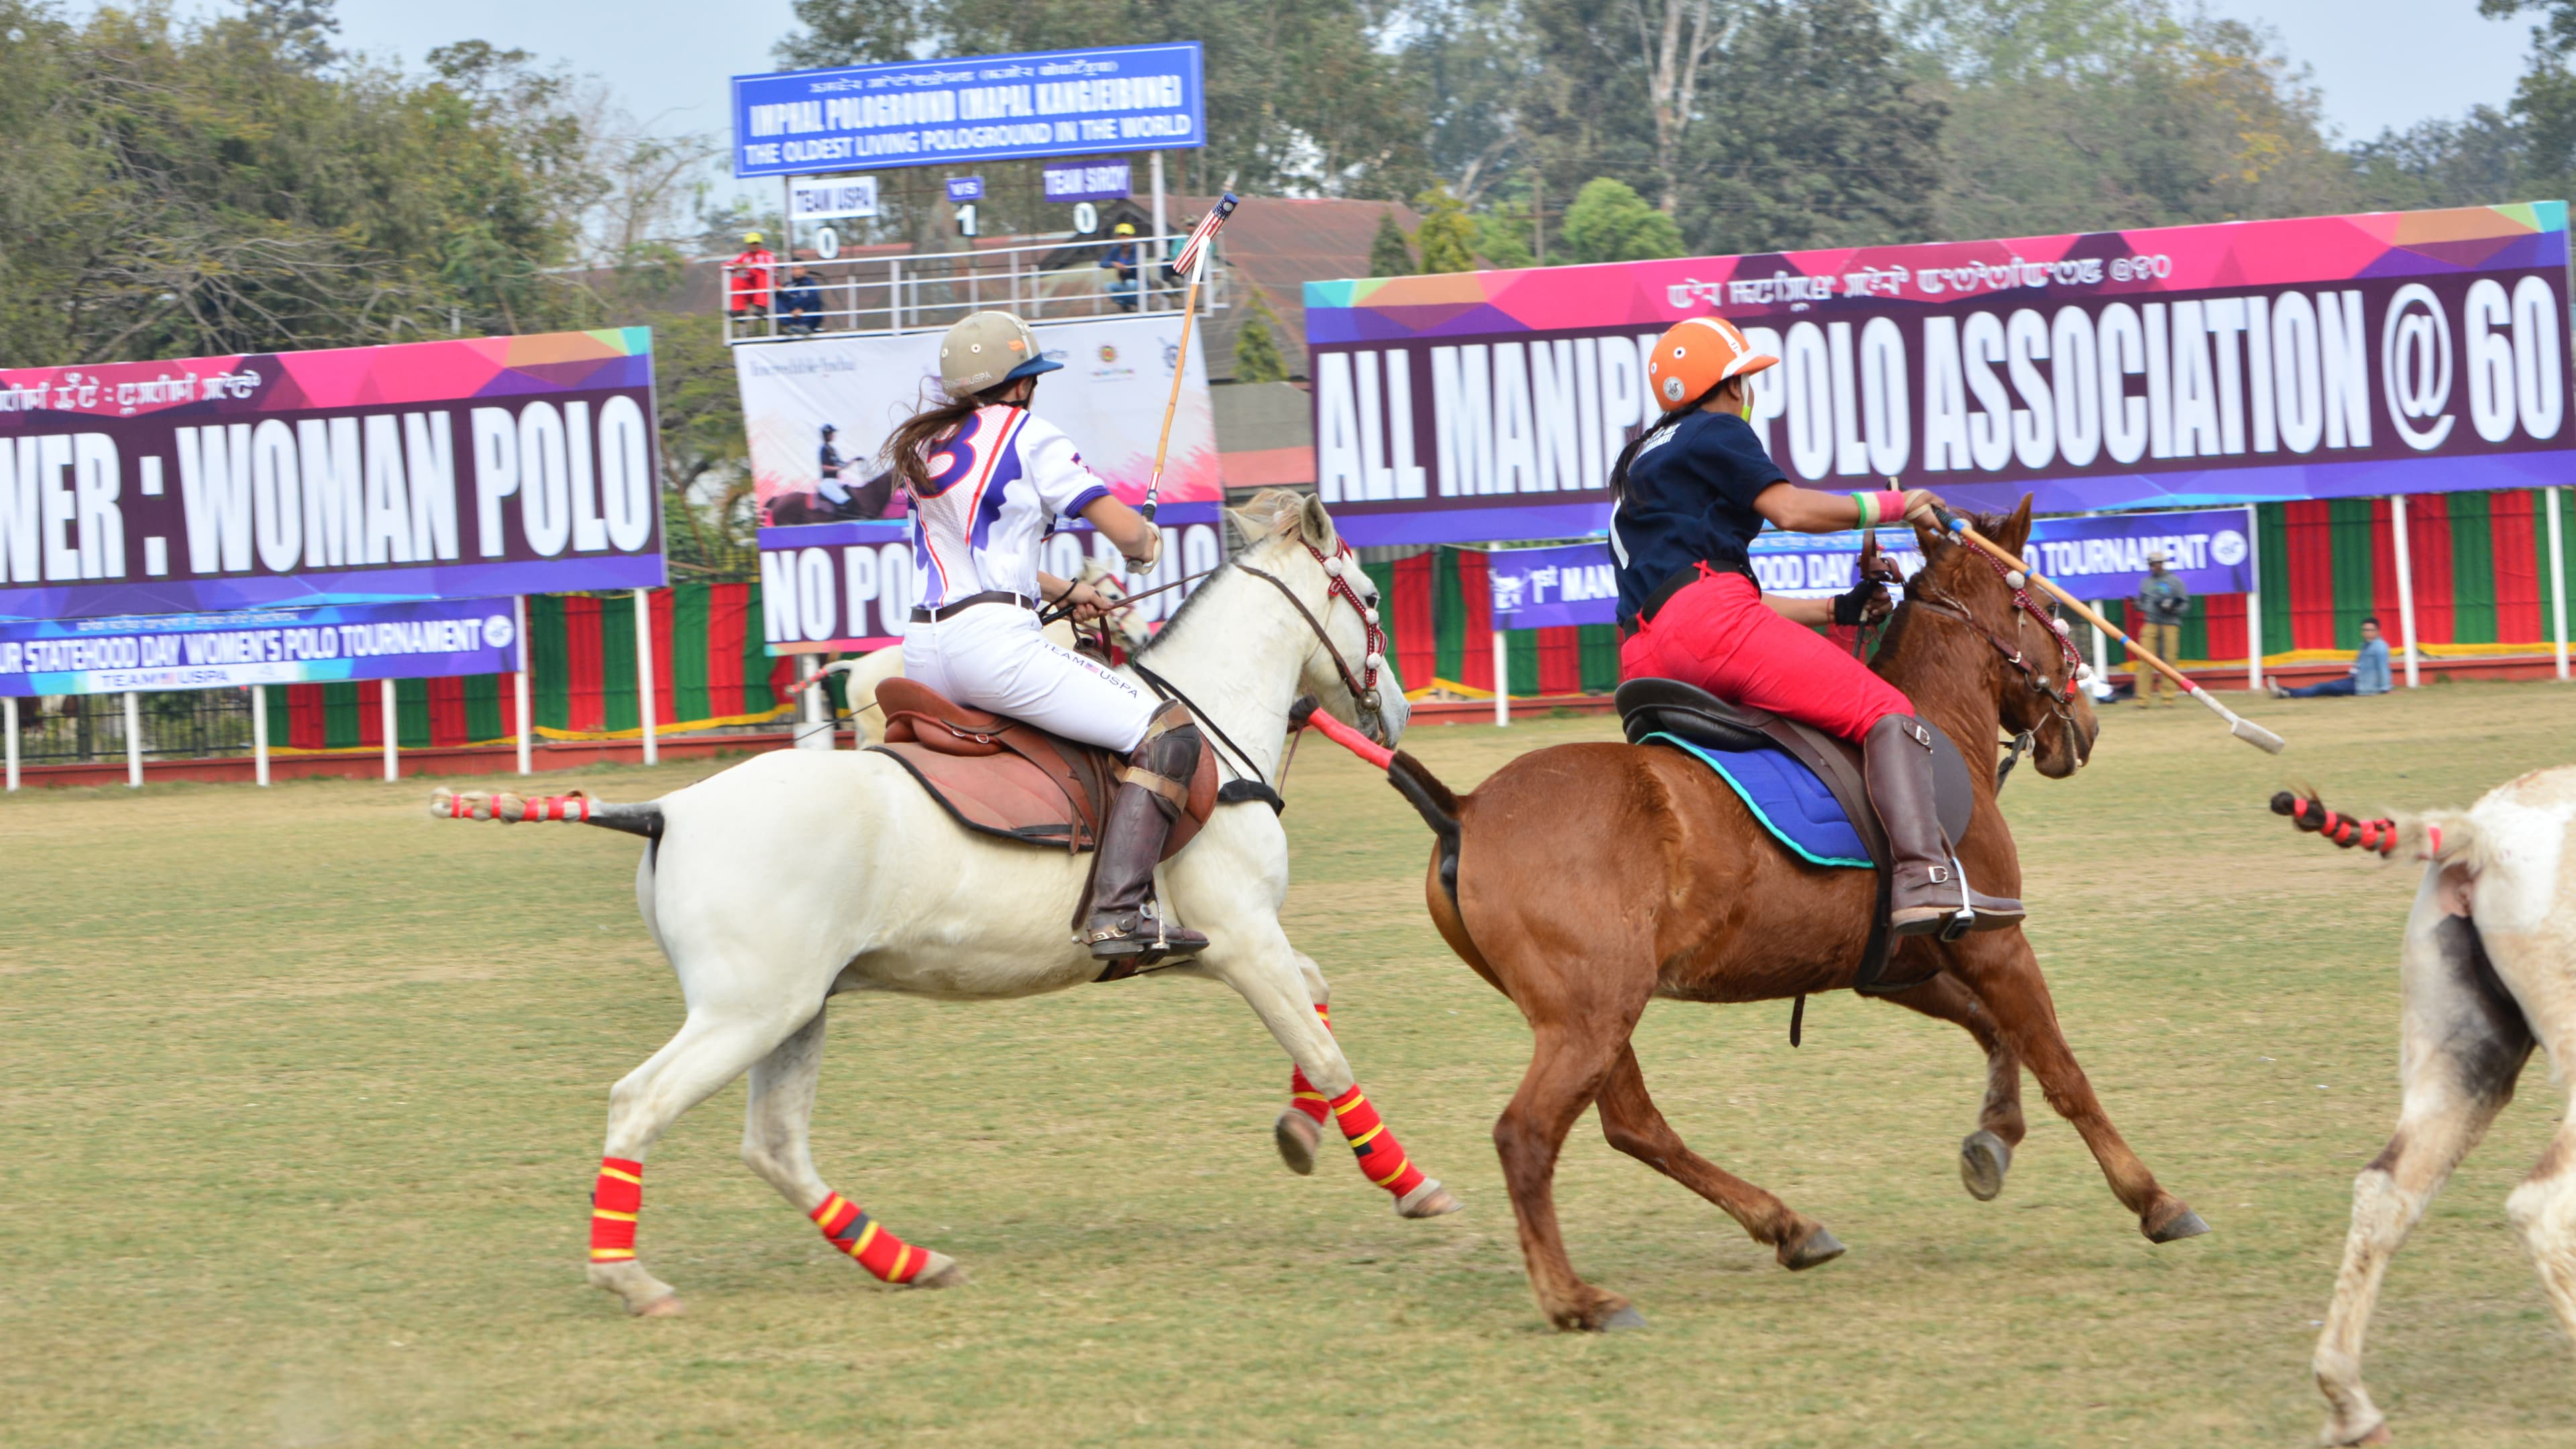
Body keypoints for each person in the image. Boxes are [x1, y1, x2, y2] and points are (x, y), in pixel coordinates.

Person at [1611, 315, 2021, 935]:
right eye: (1744, 381)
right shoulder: (1715, 429)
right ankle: (1921, 877)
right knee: (1887, 711)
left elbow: (1712, 594)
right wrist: (1899, 503)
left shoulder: (1642, 457)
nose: (1747, 395)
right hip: (1709, 628)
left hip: (1646, 653)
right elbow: (1791, 509)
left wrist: (1837, 610)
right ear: (1728, 386)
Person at [885, 310, 1205, 964]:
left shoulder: (925, 447)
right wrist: (1144, 542)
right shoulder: (1031, 435)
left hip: (923, 651)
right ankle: (1118, 913)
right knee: (1168, 733)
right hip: (994, 647)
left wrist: (1066, 591)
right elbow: (1125, 534)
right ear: (1021, 383)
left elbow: (985, 552)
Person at [2272, 618, 2395, 698]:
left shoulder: (2380, 647)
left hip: (2363, 686)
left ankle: (2287, 692)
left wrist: (2385, 689)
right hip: (2355, 681)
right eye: (2365, 630)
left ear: (2378, 631)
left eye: (2371, 630)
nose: (2367, 633)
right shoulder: (2366, 645)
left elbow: (2383, 668)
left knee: (2322, 687)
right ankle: (2286, 692)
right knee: (2324, 688)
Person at [2133, 549, 2189, 707]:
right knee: (2145, 660)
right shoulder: (2145, 583)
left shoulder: (2175, 582)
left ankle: (2168, 698)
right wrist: (2137, 605)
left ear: (2163, 564)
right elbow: (2143, 604)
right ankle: (2143, 699)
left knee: (2169, 660)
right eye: (2152, 564)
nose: (2155, 567)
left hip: (2170, 623)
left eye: (2157, 564)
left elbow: (2185, 604)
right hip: (2150, 622)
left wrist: (2173, 609)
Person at [728, 231, 775, 325]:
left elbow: (772, 268)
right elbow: (726, 265)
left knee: (762, 276)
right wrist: (738, 266)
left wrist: (753, 266)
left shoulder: (767, 255)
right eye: (752, 243)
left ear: (760, 244)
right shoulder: (745, 256)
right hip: (751, 289)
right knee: (736, 281)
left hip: (764, 290)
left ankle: (761, 307)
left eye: (756, 243)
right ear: (748, 245)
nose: (754, 246)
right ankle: (739, 310)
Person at [1099, 223, 1140, 311]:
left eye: (1127, 235)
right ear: (1118, 237)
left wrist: (1124, 266)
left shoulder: (1138, 249)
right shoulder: (1116, 251)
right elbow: (1102, 263)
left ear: (1132, 237)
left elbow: (1137, 261)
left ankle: (1139, 304)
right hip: (1124, 284)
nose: (1124, 238)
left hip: (1140, 284)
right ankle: (1126, 307)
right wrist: (1114, 264)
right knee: (1108, 286)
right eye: (1122, 235)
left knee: (1131, 283)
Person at [777, 268, 823, 333]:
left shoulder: (811, 284)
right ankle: (790, 326)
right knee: (776, 299)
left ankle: (805, 326)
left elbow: (812, 297)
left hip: (807, 316)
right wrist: (779, 292)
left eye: (800, 269)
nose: (797, 271)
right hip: (793, 315)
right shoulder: (788, 285)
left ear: (805, 270)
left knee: (815, 300)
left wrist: (802, 308)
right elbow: (786, 300)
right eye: (794, 269)